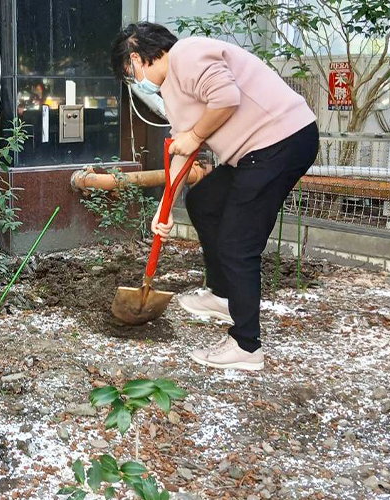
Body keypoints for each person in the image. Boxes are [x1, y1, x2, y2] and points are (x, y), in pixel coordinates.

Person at [111, 23, 318, 370]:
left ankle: (246, 345)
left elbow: (225, 98)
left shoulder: (186, 55)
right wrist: (165, 208)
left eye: (130, 73)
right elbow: (182, 150)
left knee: (238, 243)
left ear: (136, 58)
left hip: (281, 141)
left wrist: (194, 134)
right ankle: (222, 295)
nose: (134, 81)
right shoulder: (172, 91)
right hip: (253, 152)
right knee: (203, 201)